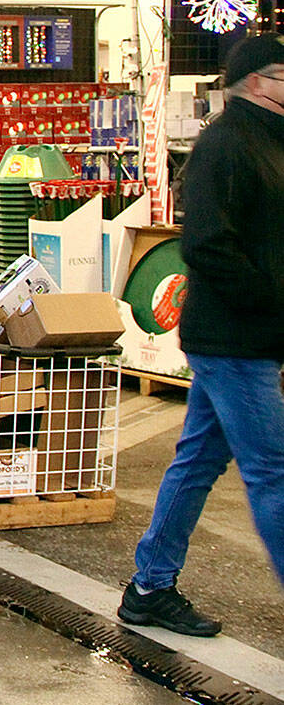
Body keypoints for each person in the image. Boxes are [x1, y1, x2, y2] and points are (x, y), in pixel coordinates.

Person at [119, 34, 284, 637]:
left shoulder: (270, 144)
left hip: (252, 338)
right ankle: (150, 584)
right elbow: (206, 245)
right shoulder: (223, 146)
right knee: (272, 470)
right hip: (232, 339)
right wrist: (271, 304)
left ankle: (148, 587)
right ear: (256, 82)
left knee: (197, 461)